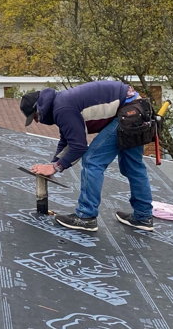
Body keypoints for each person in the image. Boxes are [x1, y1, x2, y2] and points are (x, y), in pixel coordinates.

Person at [21, 80, 154, 233]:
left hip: (129, 112)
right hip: (137, 109)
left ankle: (86, 216)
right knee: (133, 166)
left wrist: (54, 168)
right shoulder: (60, 102)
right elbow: (68, 140)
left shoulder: (62, 108)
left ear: (39, 108)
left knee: (92, 160)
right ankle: (143, 216)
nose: (37, 121)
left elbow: (79, 146)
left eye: (35, 116)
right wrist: (53, 163)